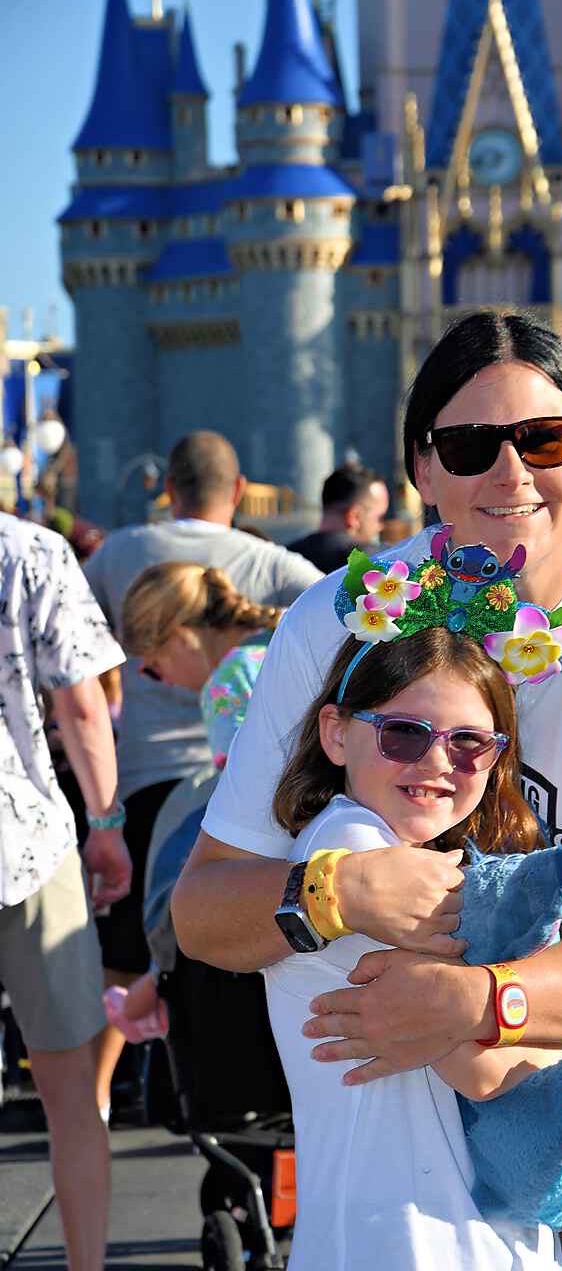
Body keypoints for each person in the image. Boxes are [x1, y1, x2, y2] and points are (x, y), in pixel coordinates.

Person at [173, 312, 562, 1271]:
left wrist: (479, 1004)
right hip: (437, 1185)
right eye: (467, 446)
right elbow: (207, 912)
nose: (509, 476)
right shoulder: (336, 619)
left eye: (541, 440)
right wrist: (331, 894)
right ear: (421, 470)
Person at [266, 577, 562, 1270]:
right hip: (410, 1243)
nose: (437, 761)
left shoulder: (401, 855)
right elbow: (483, 1066)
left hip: (437, 1234)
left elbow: (485, 1018)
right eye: (404, 733)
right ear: (334, 732)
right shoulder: (359, 856)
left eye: (468, 743)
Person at [83, 430, 322, 1120]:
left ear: (169, 489)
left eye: (152, 663)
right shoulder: (266, 562)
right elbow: (340, 604)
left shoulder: (122, 552)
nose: (153, 676)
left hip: (154, 783)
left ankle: (102, 1088)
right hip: (270, 809)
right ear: (238, 489)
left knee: (148, 933)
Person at [0, 513, 131, 1271]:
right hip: (25, 837)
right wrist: (106, 818)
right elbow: (81, 705)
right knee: (68, 1089)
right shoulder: (32, 550)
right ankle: (86, 1264)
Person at [104, 561, 284, 1035]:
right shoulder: (287, 635)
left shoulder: (226, 682)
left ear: (181, 636)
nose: (158, 679)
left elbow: (248, 804)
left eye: (153, 667)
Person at [288, 462, 390, 573]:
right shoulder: (378, 559)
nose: (381, 526)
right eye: (380, 518)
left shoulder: (285, 559)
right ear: (354, 516)